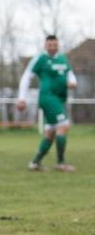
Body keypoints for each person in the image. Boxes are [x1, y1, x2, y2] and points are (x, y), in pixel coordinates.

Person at [16, 35, 77, 172]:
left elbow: (70, 74)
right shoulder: (40, 59)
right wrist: (21, 98)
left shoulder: (63, 58)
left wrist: (73, 82)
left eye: (55, 44)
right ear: (45, 45)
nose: (52, 47)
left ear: (58, 45)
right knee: (63, 125)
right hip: (48, 98)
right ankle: (61, 163)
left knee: (50, 132)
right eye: (50, 45)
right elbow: (27, 77)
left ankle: (35, 163)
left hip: (60, 99)